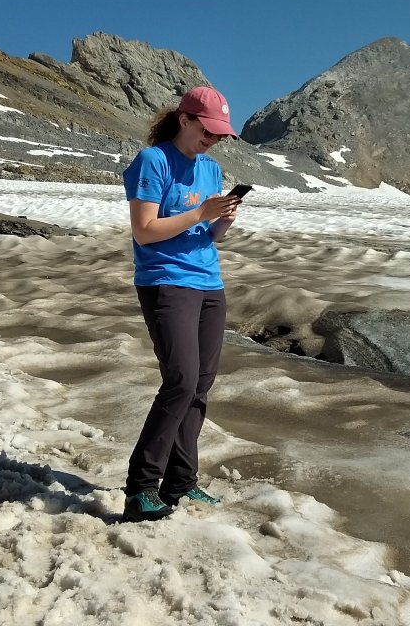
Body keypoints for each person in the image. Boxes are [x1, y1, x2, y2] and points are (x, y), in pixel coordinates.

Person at [120, 85, 243, 522]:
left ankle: (181, 483)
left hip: (209, 283)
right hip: (165, 282)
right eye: (206, 130)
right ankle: (141, 487)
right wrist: (200, 213)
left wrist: (222, 221)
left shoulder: (210, 169)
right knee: (180, 382)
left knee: (199, 387)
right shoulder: (153, 161)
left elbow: (207, 236)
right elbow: (145, 231)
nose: (212, 139)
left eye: (219, 134)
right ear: (184, 119)